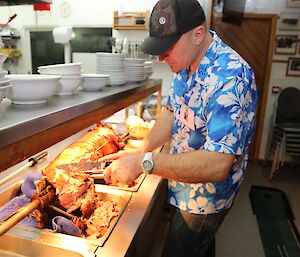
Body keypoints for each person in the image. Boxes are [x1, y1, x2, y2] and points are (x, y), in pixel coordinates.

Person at [99, 0, 258, 256]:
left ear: (198, 34)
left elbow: (218, 164)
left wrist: (145, 162)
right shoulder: (185, 64)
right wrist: (141, 150)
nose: (161, 57)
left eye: (168, 48)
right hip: (182, 183)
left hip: (205, 201)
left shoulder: (232, 77)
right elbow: (172, 112)